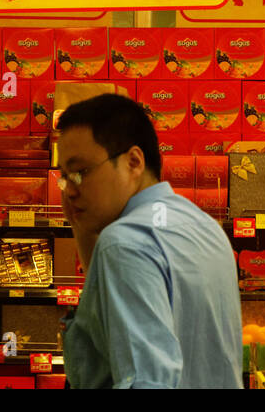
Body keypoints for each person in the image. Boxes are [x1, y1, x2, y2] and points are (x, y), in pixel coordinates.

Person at [55, 93, 243, 389]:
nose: (69, 190)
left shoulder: (124, 242)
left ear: (133, 162)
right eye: (64, 177)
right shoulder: (206, 227)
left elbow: (146, 381)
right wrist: (83, 230)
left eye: (80, 173)